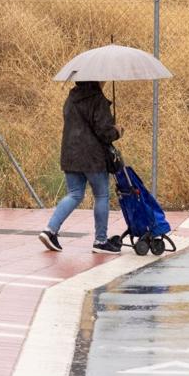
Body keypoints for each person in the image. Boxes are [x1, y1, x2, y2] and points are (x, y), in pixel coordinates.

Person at [39, 80, 122, 254]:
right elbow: (104, 133)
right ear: (96, 79)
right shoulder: (97, 99)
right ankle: (100, 241)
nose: (105, 81)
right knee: (101, 195)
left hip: (70, 154)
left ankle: (50, 230)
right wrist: (117, 131)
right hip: (93, 157)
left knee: (74, 194)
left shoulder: (71, 98)